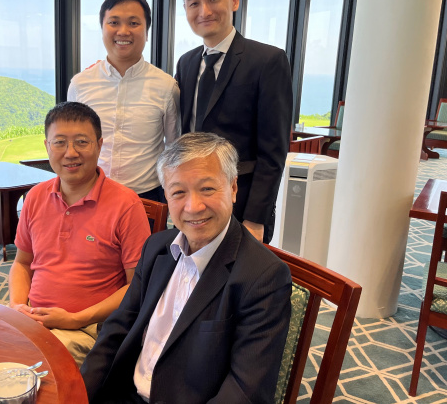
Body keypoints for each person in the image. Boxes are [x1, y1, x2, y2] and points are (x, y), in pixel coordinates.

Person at [81, 132, 292, 403]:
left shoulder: (263, 277)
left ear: (233, 188)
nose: (193, 207)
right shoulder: (157, 248)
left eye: (207, 188)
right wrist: (79, 393)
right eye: (179, 192)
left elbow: (244, 391)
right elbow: (117, 329)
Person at [8, 102, 151, 367]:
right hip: (34, 317)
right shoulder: (36, 197)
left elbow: (137, 286)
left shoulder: (125, 205)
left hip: (90, 328)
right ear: (47, 147)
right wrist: (17, 307)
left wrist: (75, 319)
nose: (70, 153)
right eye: (59, 142)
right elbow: (22, 263)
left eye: (81, 142)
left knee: (31, 366)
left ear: (99, 144)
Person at [175, 0, 294, 244]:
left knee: (241, 285)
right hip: (193, 204)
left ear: (234, 0)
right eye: (194, 3)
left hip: (241, 204)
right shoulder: (187, 63)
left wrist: (255, 218)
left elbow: (273, 152)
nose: (204, 11)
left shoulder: (267, 61)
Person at [68, 0, 180, 203]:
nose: (123, 31)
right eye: (114, 22)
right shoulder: (80, 84)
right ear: (102, 28)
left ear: (147, 32)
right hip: (90, 194)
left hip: (146, 198)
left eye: (134, 23)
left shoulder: (166, 86)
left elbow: (173, 147)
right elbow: (72, 142)